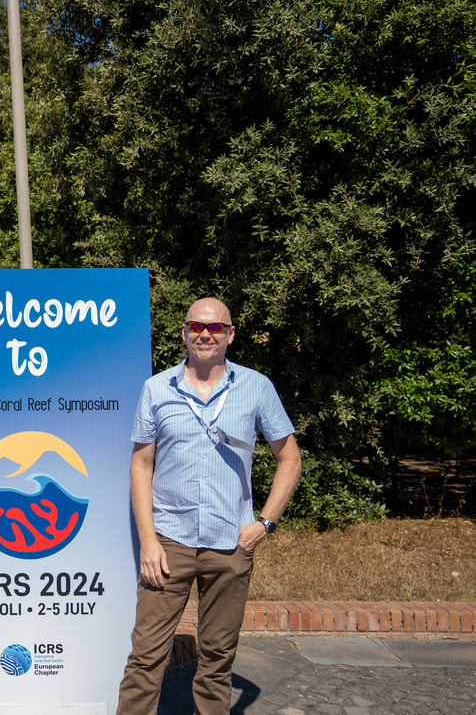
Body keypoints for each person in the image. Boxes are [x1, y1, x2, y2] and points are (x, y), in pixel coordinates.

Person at [116, 298, 302, 715]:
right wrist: (148, 540)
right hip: (170, 543)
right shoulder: (157, 388)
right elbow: (141, 465)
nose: (205, 335)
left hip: (231, 543)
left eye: (216, 328)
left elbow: (290, 457)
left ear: (230, 334)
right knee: (146, 658)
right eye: (197, 327)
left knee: (218, 659)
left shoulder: (256, 387)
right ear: (184, 332)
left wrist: (265, 523)